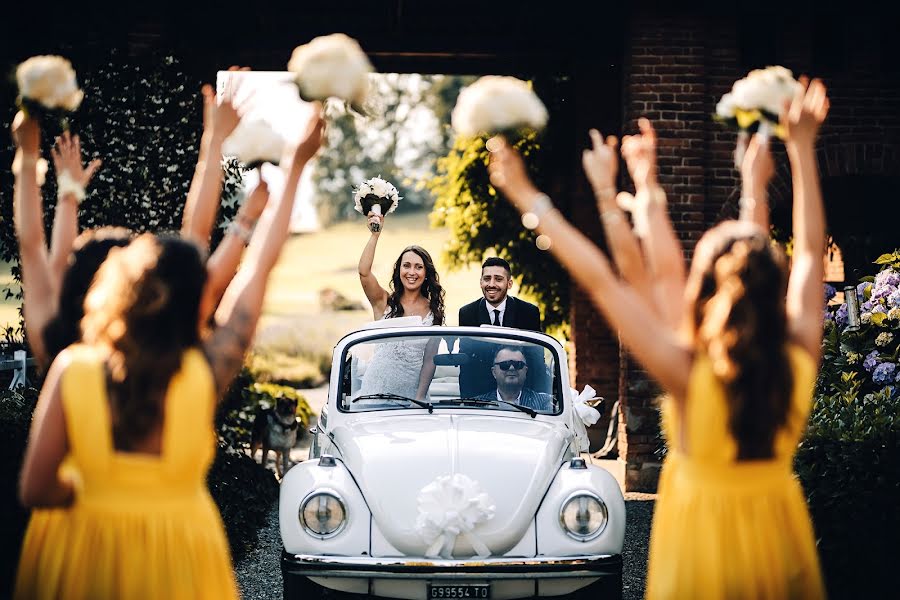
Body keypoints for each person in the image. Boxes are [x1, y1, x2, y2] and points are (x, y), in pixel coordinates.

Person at [487, 77, 829, 599]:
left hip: (702, 544)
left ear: (709, 291)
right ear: (773, 287)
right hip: (779, 532)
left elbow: (613, 278)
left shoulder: (689, 371)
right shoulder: (796, 357)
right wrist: (792, 156)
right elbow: (808, 253)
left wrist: (527, 193)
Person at [14, 104, 325, 600]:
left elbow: (35, 490)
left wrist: (86, 488)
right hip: (182, 558)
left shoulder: (70, 366)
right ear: (192, 303)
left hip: (79, 553)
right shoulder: (202, 371)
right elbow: (255, 267)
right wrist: (294, 169)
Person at [356, 208, 446, 400]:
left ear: (426, 273)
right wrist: (374, 235)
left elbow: (430, 361)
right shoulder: (383, 301)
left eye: (418, 267)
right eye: (406, 265)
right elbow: (364, 272)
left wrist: (419, 398)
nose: (411, 272)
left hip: (412, 398)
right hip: (375, 391)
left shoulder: (433, 312)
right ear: (399, 270)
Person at [458, 257, 541, 330]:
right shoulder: (467, 314)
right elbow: (466, 347)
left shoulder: (529, 313)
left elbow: (535, 348)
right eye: (487, 278)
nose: (491, 284)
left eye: (498, 279)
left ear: (509, 284)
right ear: (481, 283)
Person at [476, 346, 553, 412]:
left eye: (518, 365)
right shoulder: (477, 405)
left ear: (525, 371)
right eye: (505, 365)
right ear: (494, 372)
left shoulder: (544, 403)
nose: (511, 368)